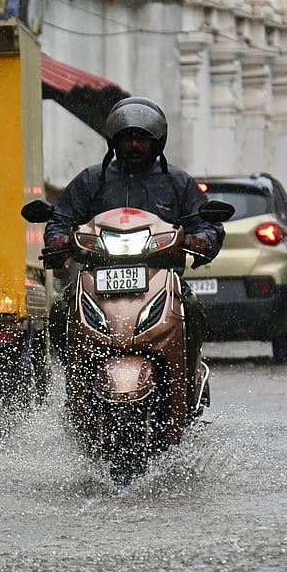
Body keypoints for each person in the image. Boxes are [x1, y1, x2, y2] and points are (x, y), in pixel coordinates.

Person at [42, 96, 224, 371]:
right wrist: (57, 238)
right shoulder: (92, 180)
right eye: (127, 137)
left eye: (142, 137)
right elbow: (60, 218)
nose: (135, 144)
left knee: (192, 310)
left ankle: (186, 376)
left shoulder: (177, 182)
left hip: (161, 276)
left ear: (157, 142)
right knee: (59, 312)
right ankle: (75, 378)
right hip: (97, 278)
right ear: (114, 141)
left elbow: (206, 223)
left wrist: (203, 239)